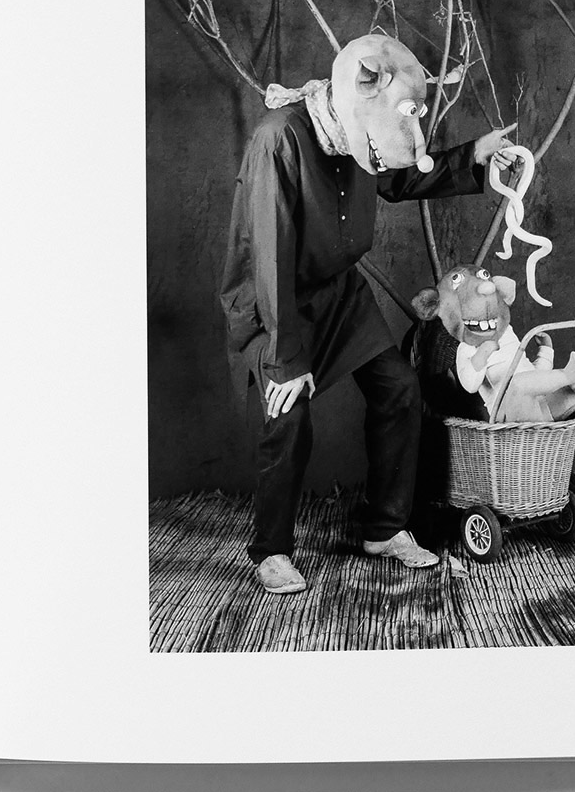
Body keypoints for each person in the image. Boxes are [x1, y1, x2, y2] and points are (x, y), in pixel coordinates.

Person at [220, 34, 514, 594]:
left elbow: (401, 176)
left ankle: (385, 528)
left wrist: (472, 155)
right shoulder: (278, 139)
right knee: (288, 412)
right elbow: (269, 255)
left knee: (399, 387)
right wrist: (285, 358)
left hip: (339, 293)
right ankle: (271, 550)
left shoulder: (361, 137)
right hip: (272, 302)